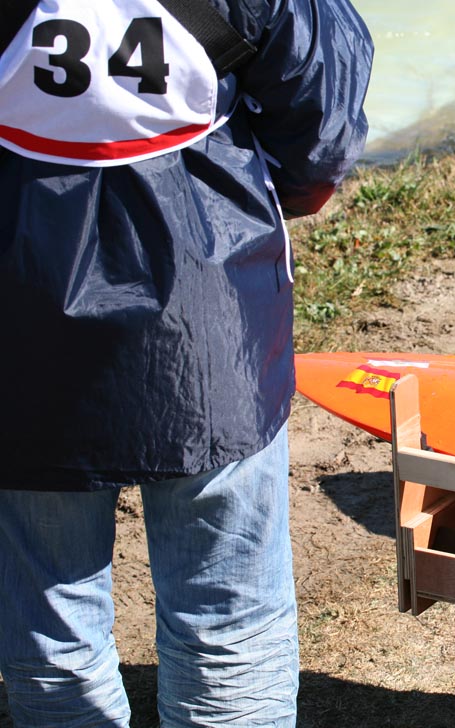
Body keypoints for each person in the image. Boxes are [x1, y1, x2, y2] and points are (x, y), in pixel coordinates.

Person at [0, 0, 372, 724]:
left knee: (52, 626)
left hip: (22, 322)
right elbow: (321, 120)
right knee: (230, 624)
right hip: (210, 325)